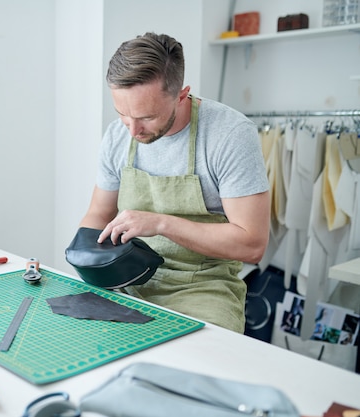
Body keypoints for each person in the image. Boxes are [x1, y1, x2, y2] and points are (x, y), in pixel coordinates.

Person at [79, 32, 270, 333]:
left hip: (202, 287)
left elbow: (252, 244)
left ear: (181, 95)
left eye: (146, 117)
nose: (132, 129)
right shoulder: (118, 135)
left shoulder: (229, 135)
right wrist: (84, 258)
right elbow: (99, 213)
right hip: (124, 279)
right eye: (122, 114)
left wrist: (161, 224)